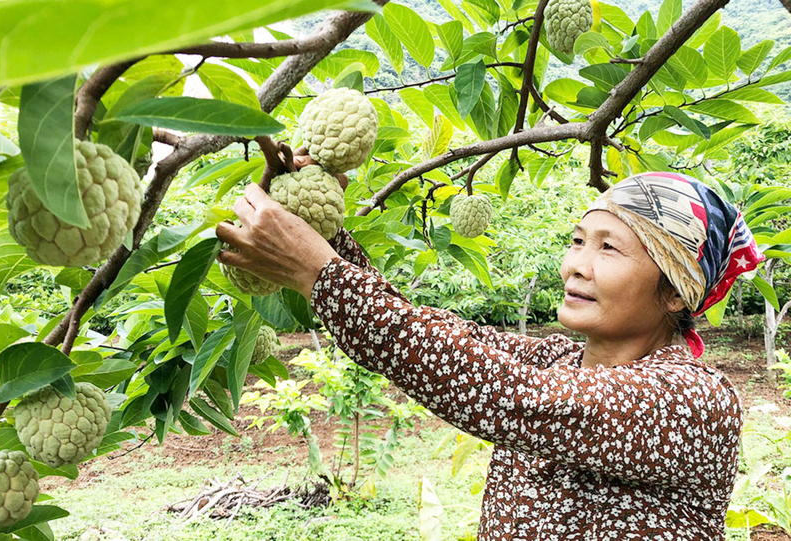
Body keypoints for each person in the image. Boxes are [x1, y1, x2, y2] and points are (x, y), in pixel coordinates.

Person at [216, 170, 764, 541]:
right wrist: (324, 225)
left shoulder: (692, 399)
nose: (577, 264)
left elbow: (491, 387)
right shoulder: (557, 362)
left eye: (609, 247)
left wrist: (318, 272)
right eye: (578, 240)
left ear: (675, 292)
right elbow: (436, 335)